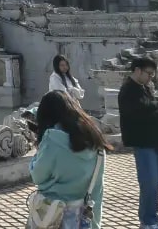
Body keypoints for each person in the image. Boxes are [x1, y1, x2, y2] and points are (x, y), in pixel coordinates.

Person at [27, 90, 109, 228]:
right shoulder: (95, 141)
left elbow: (38, 176)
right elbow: (97, 190)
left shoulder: (51, 140)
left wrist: (36, 156)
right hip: (79, 218)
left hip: (50, 215)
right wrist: (95, 225)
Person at [118, 56, 158, 229]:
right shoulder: (128, 90)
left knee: (157, 181)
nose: (151, 77)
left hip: (155, 141)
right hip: (143, 143)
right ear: (137, 70)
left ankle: (152, 215)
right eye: (149, 73)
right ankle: (147, 220)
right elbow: (141, 110)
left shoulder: (144, 87)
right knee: (149, 182)